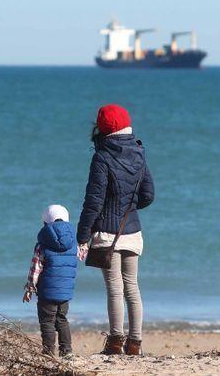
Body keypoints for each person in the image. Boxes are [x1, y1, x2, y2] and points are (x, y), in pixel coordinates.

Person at [76, 104, 154, 356]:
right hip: (131, 230)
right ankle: (135, 344)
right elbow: (148, 195)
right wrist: (128, 208)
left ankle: (115, 342)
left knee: (114, 288)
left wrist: (82, 235)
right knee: (132, 286)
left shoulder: (101, 157)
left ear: (102, 128)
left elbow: (93, 201)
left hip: (107, 235)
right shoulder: (139, 152)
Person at [22, 204, 78, 357]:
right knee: (62, 319)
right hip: (66, 290)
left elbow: (36, 268)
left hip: (47, 291)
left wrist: (30, 288)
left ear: (45, 223)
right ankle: (66, 351)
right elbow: (77, 259)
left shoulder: (42, 244)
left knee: (47, 322)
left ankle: (48, 353)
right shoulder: (74, 243)